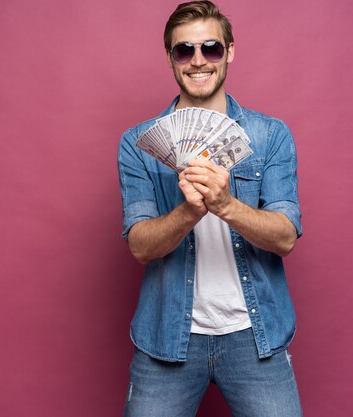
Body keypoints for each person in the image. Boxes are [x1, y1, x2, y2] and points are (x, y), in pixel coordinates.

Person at [117, 2, 303, 416]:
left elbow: (285, 236)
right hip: (168, 336)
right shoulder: (139, 144)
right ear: (171, 58)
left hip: (255, 336)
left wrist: (224, 204)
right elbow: (141, 247)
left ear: (230, 51)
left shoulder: (270, 136)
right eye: (184, 50)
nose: (198, 61)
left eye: (211, 48)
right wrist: (190, 211)